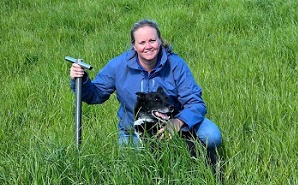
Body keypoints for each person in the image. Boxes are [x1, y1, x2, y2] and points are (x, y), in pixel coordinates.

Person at [69, 19, 222, 170]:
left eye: (152, 40)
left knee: (212, 135)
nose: (148, 47)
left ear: (160, 41)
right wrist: (81, 80)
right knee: (137, 167)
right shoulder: (118, 66)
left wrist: (178, 122)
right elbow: (95, 95)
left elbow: (195, 102)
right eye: (142, 43)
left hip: (175, 124)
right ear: (134, 46)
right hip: (135, 130)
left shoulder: (175, 64)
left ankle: (207, 163)